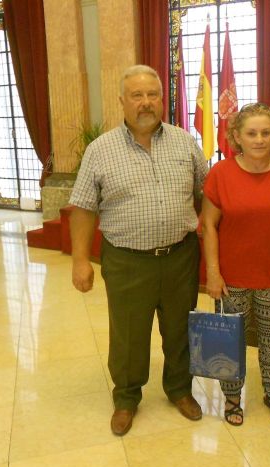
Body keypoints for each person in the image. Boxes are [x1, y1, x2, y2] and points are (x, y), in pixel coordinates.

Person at [69, 65, 209, 436]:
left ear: (162, 99)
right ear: (122, 101)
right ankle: (127, 397)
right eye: (137, 95)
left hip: (180, 257)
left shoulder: (185, 142)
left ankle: (179, 389)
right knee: (129, 334)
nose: (145, 102)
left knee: (180, 329)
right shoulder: (100, 150)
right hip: (127, 260)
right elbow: (83, 207)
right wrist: (80, 260)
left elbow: (207, 192)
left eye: (152, 95)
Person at [201, 103, 270, 427]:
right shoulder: (220, 174)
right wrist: (213, 274)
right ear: (237, 137)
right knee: (229, 342)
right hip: (231, 278)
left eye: (265, 132)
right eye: (251, 133)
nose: (259, 139)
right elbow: (209, 226)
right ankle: (232, 398)